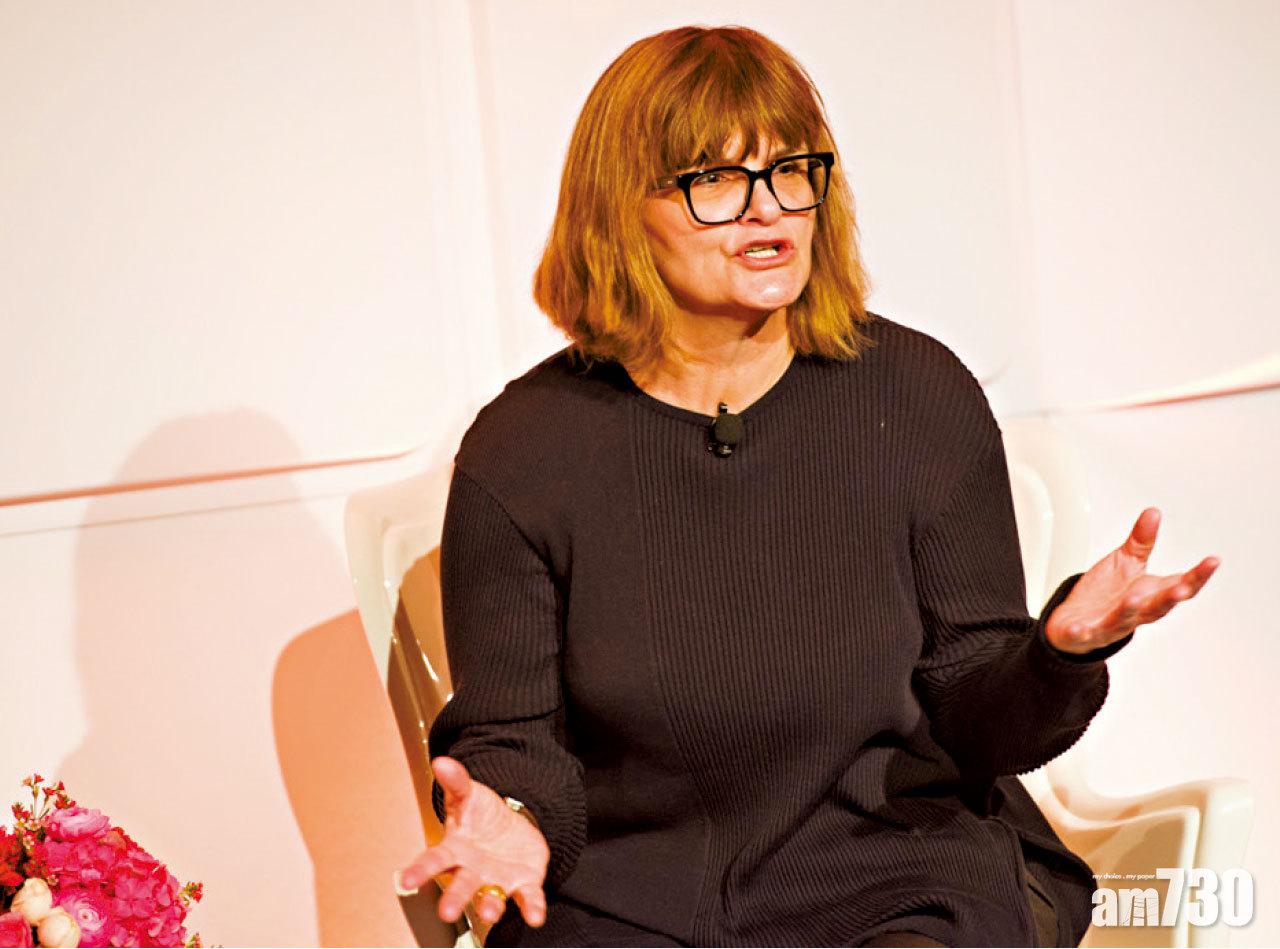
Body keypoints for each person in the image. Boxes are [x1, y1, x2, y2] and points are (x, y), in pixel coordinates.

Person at [394, 25, 1219, 947]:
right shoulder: (525, 448)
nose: (768, 211)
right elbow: (513, 733)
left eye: (791, 170)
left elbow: (979, 720)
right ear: (621, 210)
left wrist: (1057, 651)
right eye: (716, 179)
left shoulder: (915, 394)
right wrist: (511, 811)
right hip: (632, 896)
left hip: (895, 869)